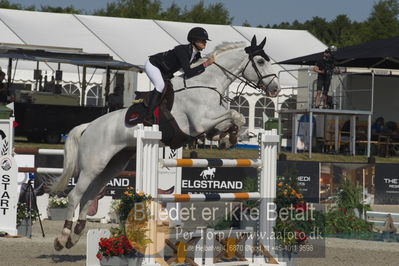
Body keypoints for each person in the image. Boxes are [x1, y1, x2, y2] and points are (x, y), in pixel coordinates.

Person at [143, 27, 215, 125]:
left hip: (166, 72)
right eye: (202, 40)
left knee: (173, 88)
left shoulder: (197, 55)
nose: (204, 43)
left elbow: (196, 70)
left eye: (205, 41)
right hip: (154, 65)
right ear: (194, 40)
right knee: (160, 86)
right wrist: (206, 64)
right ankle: (148, 116)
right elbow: (188, 72)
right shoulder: (182, 50)